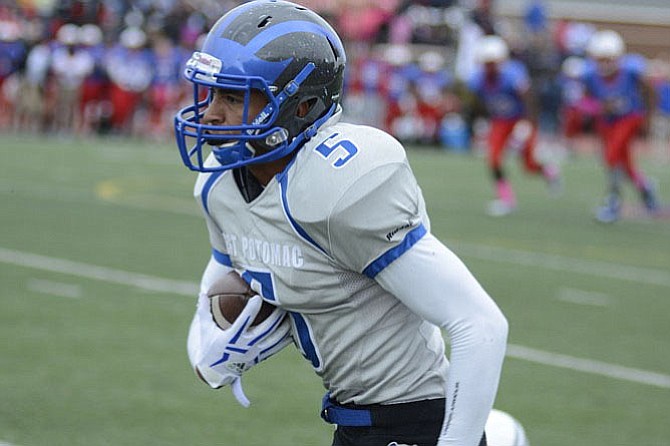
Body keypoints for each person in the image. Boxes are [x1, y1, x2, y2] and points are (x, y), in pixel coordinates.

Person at [174, 2, 508, 446]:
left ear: (302, 104)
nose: (212, 113)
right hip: (349, 423)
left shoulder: (340, 183)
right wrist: (208, 348)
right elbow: (219, 276)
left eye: (233, 97)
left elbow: (479, 323)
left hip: (414, 423)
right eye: (212, 93)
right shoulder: (220, 185)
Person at [467, 35, 561, 216]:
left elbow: (530, 98)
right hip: (500, 121)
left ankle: (549, 171)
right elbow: (479, 103)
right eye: (487, 63)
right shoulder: (478, 79)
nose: (489, 67)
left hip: (520, 119)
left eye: (492, 62)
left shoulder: (513, 74)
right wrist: (480, 123)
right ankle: (506, 199)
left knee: (529, 165)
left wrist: (528, 123)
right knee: (493, 158)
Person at [583, 30, 661, 223]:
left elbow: (650, 92)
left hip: (629, 117)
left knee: (612, 155)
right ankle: (646, 189)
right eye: (600, 59)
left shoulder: (632, 70)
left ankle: (613, 201)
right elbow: (585, 101)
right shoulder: (590, 75)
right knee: (624, 164)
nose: (604, 64)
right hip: (607, 122)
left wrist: (648, 118)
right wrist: (599, 107)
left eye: (608, 59)